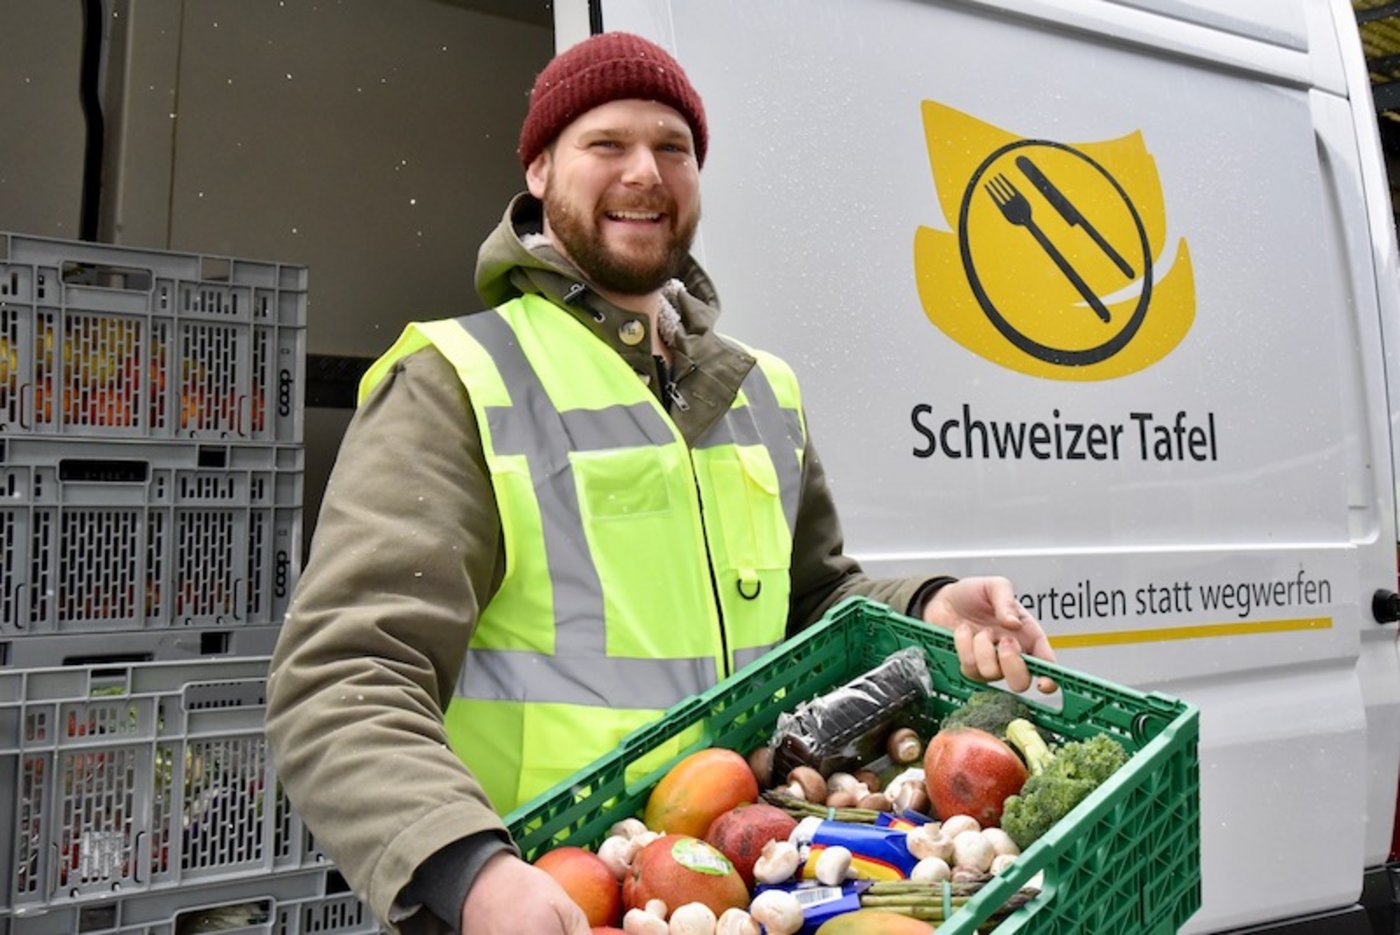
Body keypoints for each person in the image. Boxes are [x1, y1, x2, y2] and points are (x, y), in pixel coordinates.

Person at [265, 30, 1056, 935]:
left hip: (742, 890)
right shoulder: (457, 379)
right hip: (554, 892)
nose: (644, 171)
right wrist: (468, 870)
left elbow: (814, 602)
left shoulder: (763, 391)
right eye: (606, 144)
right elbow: (346, 674)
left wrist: (922, 602)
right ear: (537, 173)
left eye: (672, 148)